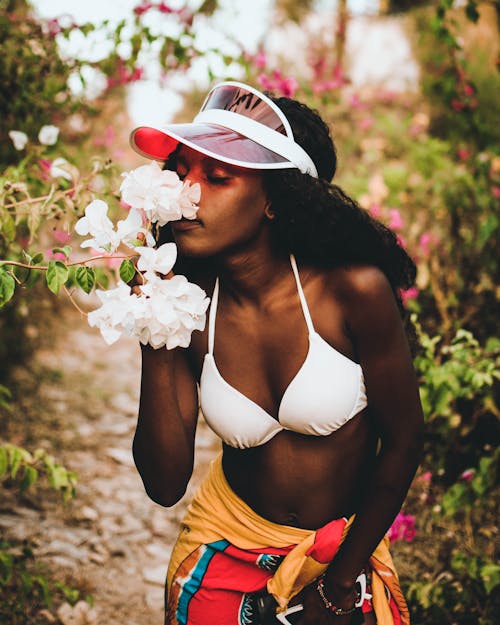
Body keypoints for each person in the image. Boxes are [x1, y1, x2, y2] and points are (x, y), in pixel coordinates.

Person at [130, 81, 424, 625]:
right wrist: (154, 328)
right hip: (221, 547)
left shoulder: (351, 291)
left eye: (218, 177)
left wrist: (339, 588)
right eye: (181, 172)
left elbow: (405, 440)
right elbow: (165, 484)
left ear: (275, 201)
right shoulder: (187, 307)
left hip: (340, 554)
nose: (189, 194)